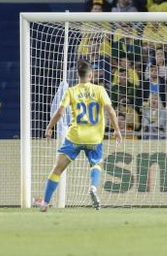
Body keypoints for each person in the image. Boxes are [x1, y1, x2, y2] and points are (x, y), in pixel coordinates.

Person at [35, 60, 122, 212]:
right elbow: (110, 111)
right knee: (96, 164)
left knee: (57, 169)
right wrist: (117, 129)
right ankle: (93, 188)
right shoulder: (100, 89)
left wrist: (50, 127)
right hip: (94, 138)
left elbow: (61, 112)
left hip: (75, 137)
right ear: (91, 75)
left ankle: (45, 203)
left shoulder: (71, 91)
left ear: (77, 75)